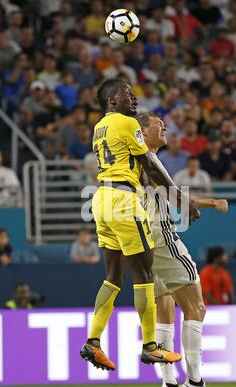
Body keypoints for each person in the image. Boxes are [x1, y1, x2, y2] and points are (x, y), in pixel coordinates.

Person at [80, 79, 199, 371]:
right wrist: (179, 196)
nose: (133, 98)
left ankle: (92, 342)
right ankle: (150, 346)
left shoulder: (99, 127)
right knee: (144, 273)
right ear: (111, 101)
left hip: (102, 199)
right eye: (126, 94)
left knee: (113, 276)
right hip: (124, 200)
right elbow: (149, 162)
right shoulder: (125, 123)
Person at [137, 112, 228, 387]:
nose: (164, 127)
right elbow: (174, 194)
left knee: (164, 310)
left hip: (142, 243)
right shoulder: (147, 157)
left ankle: (168, 383)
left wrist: (193, 202)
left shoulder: (132, 160)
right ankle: (195, 380)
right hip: (162, 237)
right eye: (157, 125)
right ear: (142, 131)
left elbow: (172, 193)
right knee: (196, 306)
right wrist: (212, 202)